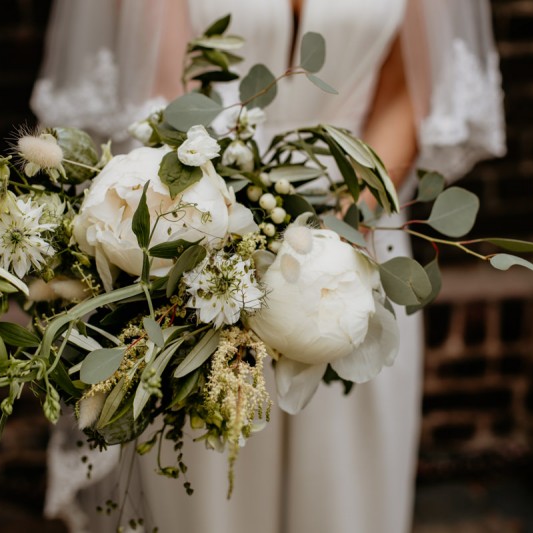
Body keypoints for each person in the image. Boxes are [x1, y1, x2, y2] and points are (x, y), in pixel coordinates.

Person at [31, 1, 506, 532]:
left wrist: (348, 226)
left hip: (357, 248)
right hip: (204, 236)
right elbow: (166, 93)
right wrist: (234, 238)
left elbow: (407, 84)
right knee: (211, 479)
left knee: (344, 490)